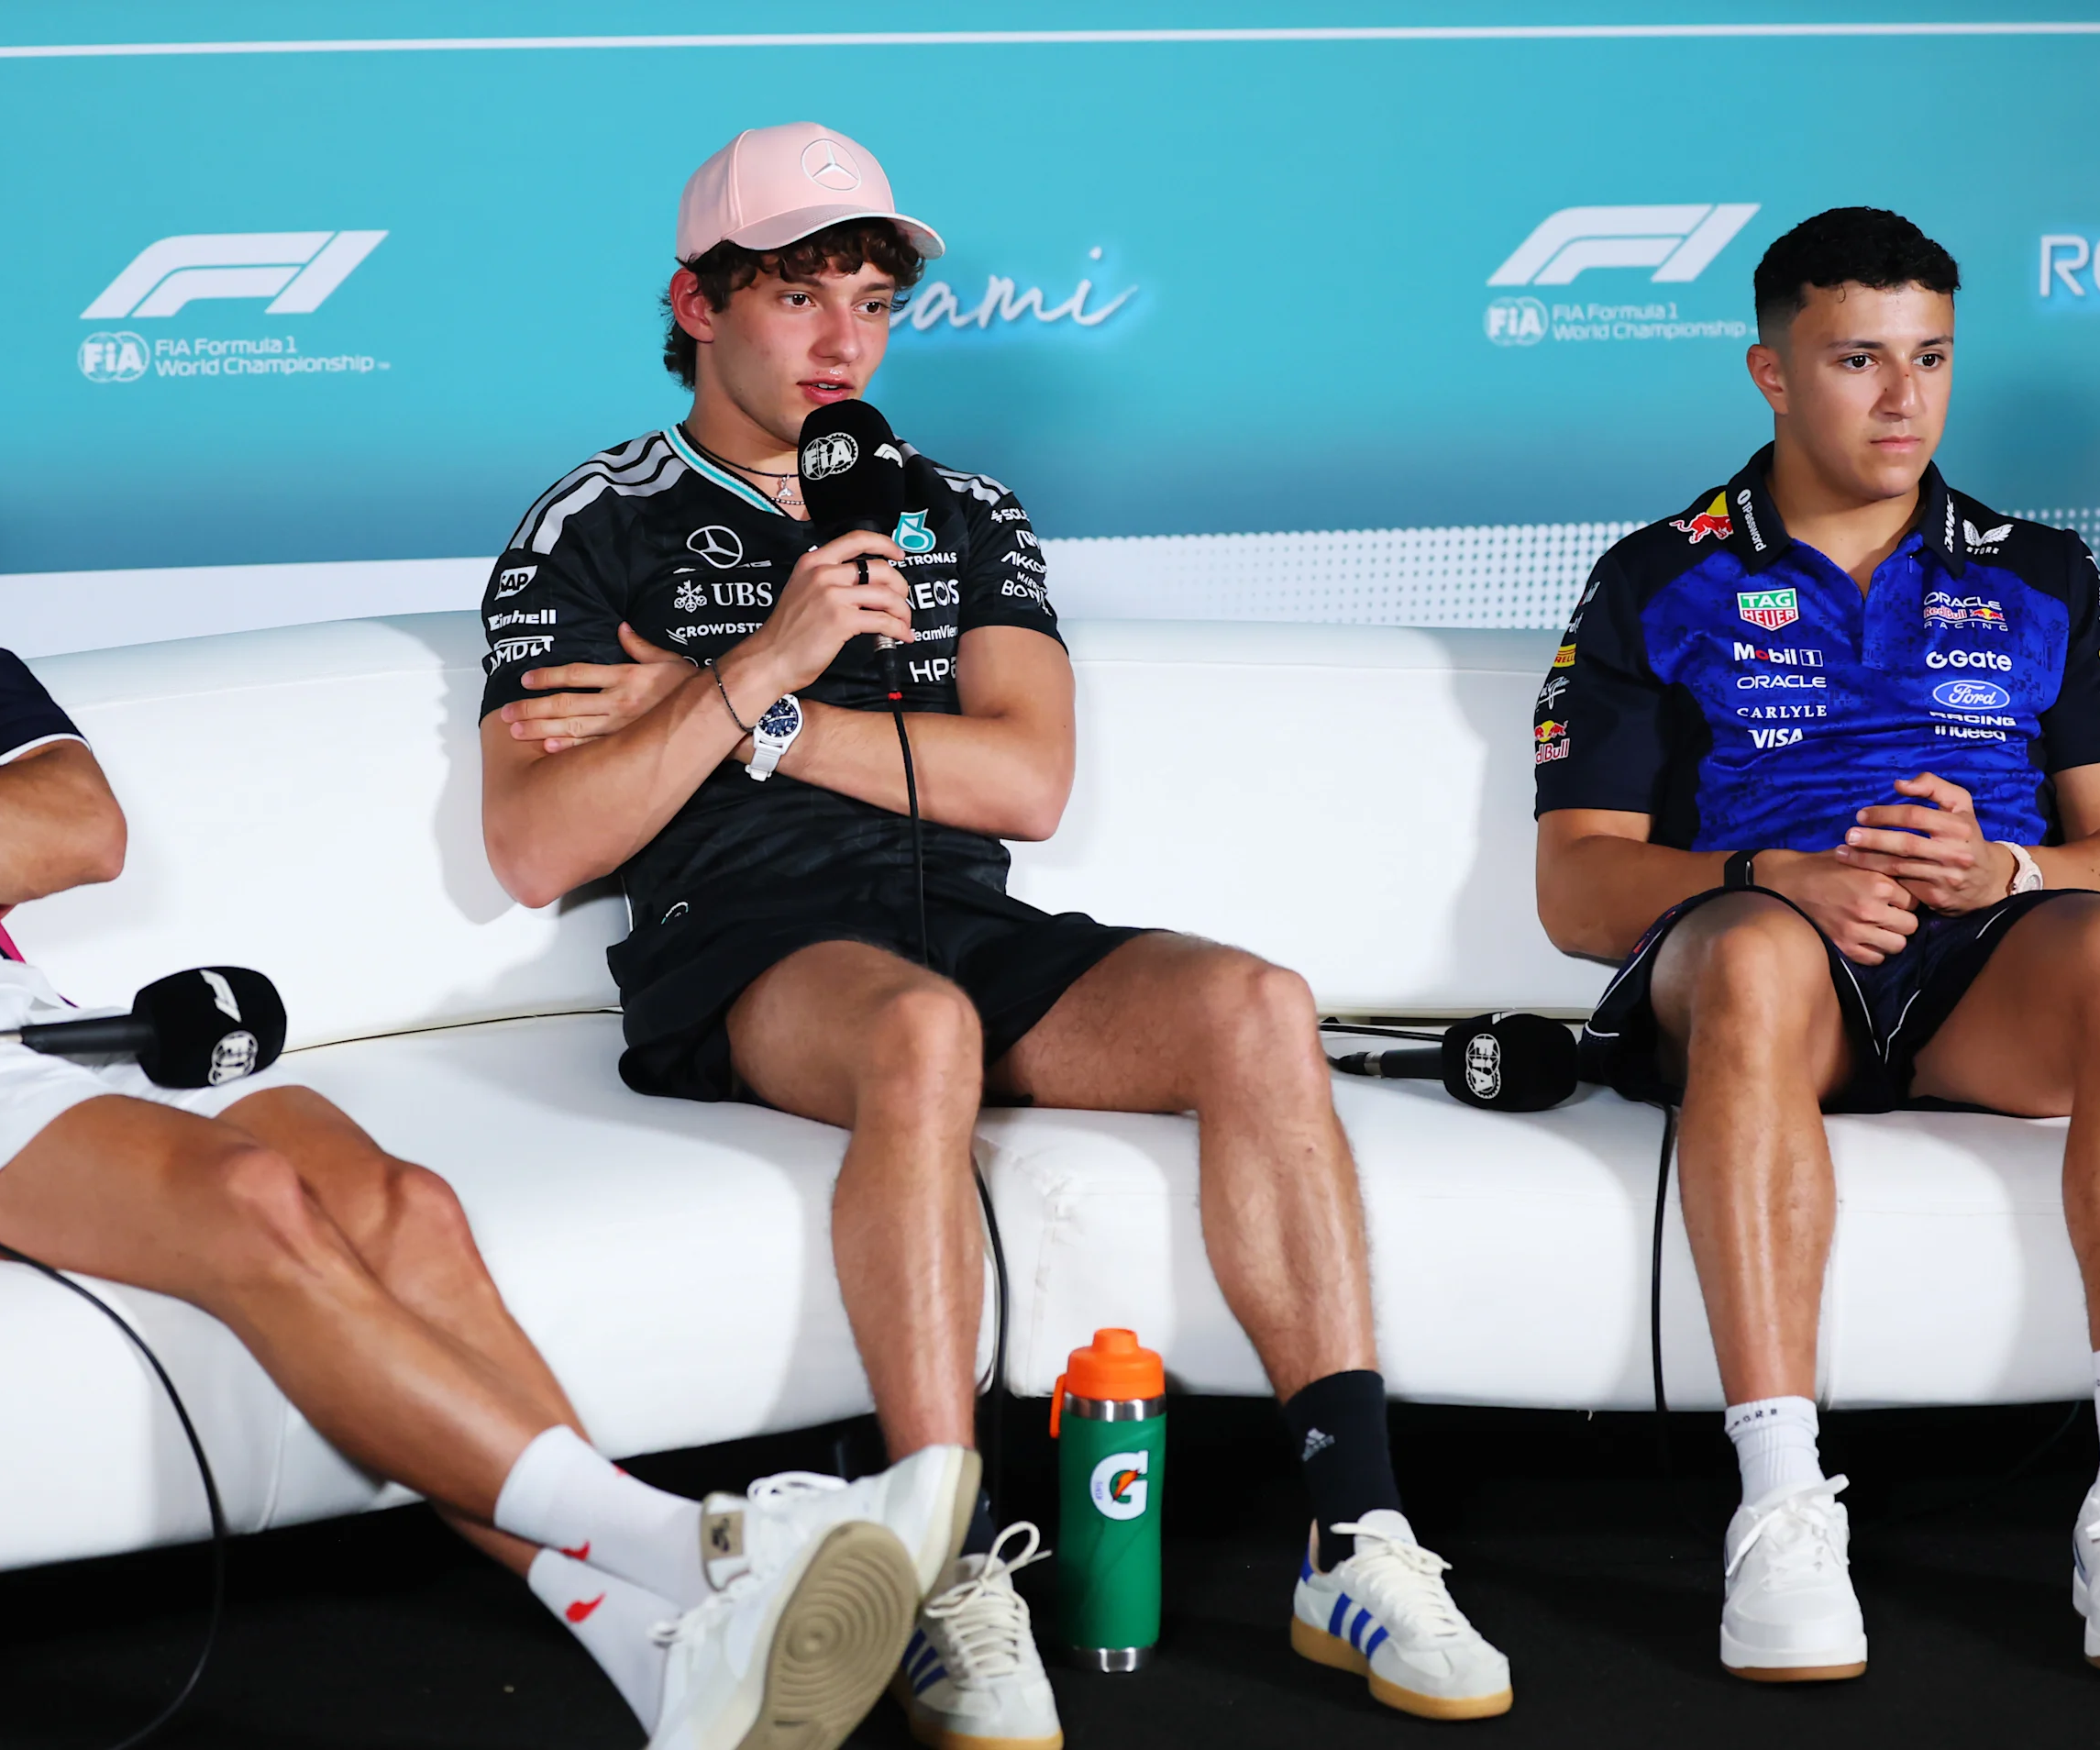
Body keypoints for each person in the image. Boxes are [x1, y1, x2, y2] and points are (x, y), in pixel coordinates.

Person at [0, 184, 970, 1750]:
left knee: (400, 1203)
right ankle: (684, 1550)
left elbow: (78, 828)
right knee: (249, 1206)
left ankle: (663, 1664)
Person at [476, 124, 1514, 1737]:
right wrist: (775, 649)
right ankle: (937, 1551)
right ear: (695, 302)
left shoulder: (954, 510)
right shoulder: (591, 522)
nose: (843, 341)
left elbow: (1025, 781)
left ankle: (1352, 1527)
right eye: (799, 296)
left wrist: (733, 711)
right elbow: (536, 843)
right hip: (743, 946)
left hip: (958, 916)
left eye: (873, 303)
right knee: (919, 1032)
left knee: (1256, 1004)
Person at [1533, 207, 2100, 1683]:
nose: (1903, 399)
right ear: (1772, 374)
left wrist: (2006, 866)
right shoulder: (1660, 574)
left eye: (1931, 359)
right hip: (1764, 977)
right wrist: (1762, 872)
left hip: (1982, 973)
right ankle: (1782, 1510)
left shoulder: (2041, 568)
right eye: (1858, 360)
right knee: (1761, 954)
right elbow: (1575, 890)